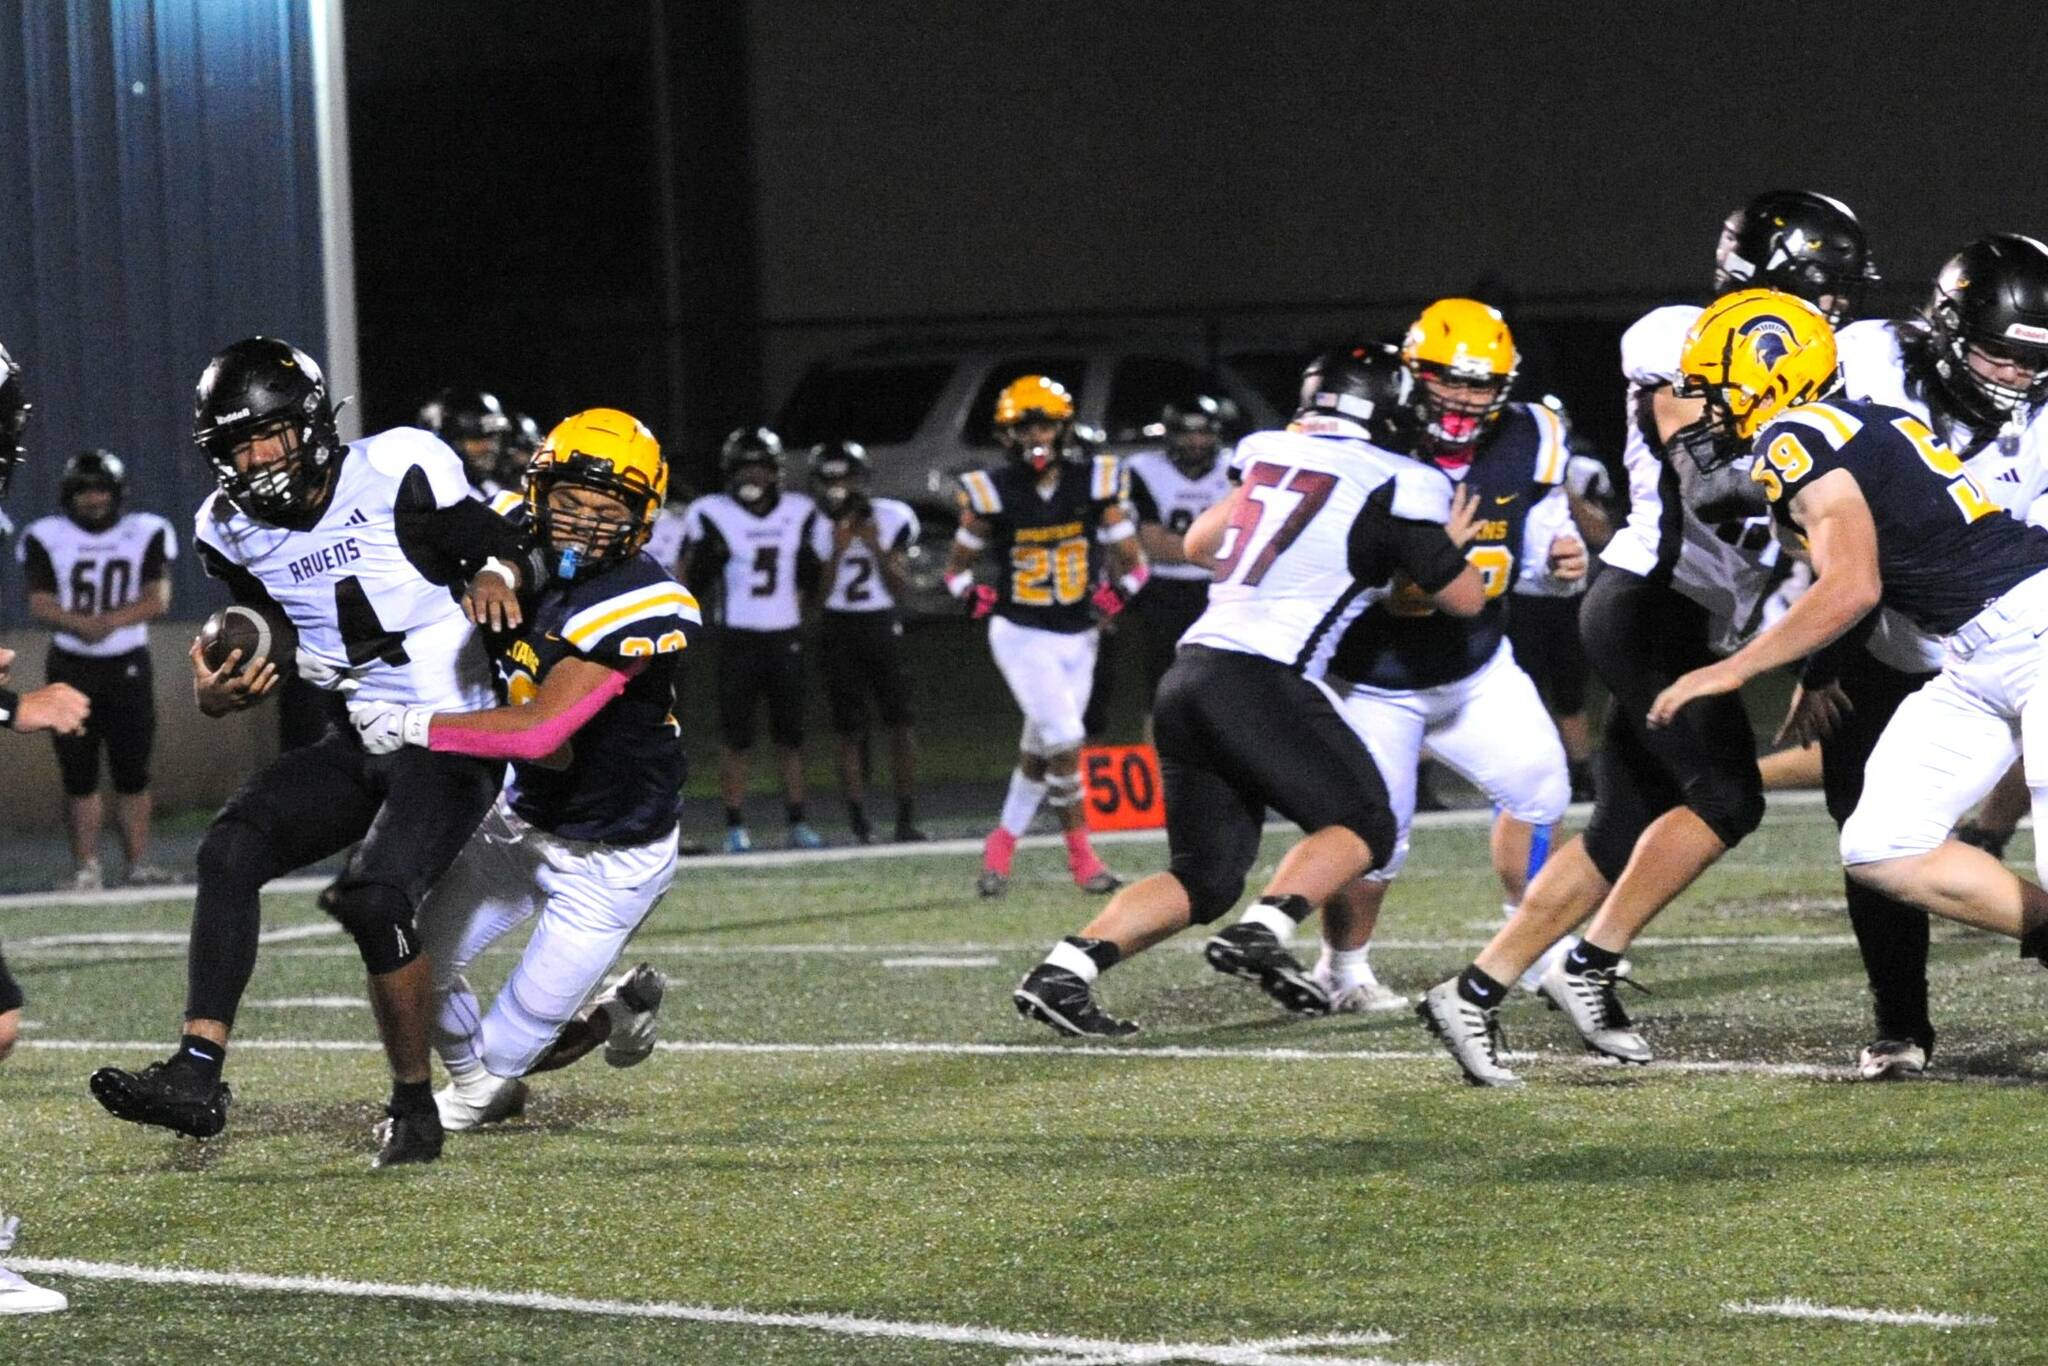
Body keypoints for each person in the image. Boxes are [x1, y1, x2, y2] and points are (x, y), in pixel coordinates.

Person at [1416, 189, 1879, 1085]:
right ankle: (1588, 967)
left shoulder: (1816, 367)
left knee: (1623, 826)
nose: (1836, 307)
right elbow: (1701, 470)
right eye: (1825, 287)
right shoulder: (1680, 336)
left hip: (1693, 614)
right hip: (1645, 599)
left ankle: (1473, 992)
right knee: (1728, 798)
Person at [88, 337, 543, 1166]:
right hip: (363, 733)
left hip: (451, 733)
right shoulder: (225, 530)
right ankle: (197, 1071)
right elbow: (272, 630)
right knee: (231, 848)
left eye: (270, 435)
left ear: (313, 424)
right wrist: (221, 686)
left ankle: (413, 1103)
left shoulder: (401, 464)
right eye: (237, 444)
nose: (257, 458)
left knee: (376, 898)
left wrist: (498, 577)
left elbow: (496, 542)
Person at [1012, 347, 1484, 1035]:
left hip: (1190, 674)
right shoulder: (1400, 479)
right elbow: (1466, 600)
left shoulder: (1272, 456)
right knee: (1366, 824)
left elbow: (1203, 543)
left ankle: (1064, 974)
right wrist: (1438, 548)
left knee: (1204, 878)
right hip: (1259, 676)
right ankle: (1263, 930)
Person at [1650, 290, 2048, 1042]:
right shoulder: (1866, 420)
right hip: (1980, 654)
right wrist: (1822, 670)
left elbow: (1854, 583)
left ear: (1763, 374)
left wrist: (1732, 670)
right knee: (1882, 844)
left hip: (2036, 631)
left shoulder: (1796, 435)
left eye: (1715, 386)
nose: (1710, 408)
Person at [349, 409, 696, 1129]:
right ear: (539, 493)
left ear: (642, 517)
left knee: (514, 1050)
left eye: (607, 512)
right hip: (520, 820)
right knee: (414, 971)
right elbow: (405, 512)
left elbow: (544, 733)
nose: (582, 526)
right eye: (568, 503)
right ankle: (479, 1086)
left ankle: (598, 1022)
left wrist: (411, 724)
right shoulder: (510, 521)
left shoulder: (640, 601)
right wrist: (496, 563)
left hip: (611, 857)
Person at [1791, 232, 2048, 1077]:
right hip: (1895, 641)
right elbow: (1822, 516)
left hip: (2022, 629)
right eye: (2001, 354)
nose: (2018, 375)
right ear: (1945, 327)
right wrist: (1819, 655)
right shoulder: (1865, 362)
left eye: (2034, 360)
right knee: (1873, 840)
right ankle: (1900, 1022)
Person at [1314, 312, 1583, 1015]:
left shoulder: (1531, 435)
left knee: (1542, 789)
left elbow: (1532, 556)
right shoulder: (1367, 441)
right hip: (1374, 678)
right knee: (1378, 838)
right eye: (1448, 381)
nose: (1465, 399)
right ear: (1413, 376)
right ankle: (1341, 968)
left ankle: (1532, 945)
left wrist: (1562, 562)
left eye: (1482, 384)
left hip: (1475, 668)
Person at [945, 376, 1146, 897]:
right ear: (1006, 435)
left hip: (1079, 637)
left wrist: (1111, 600)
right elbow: (956, 572)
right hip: (1022, 632)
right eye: (1023, 426)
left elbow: (1135, 565)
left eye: (1044, 424)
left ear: (1063, 427)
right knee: (1063, 740)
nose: (1035, 436)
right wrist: (977, 599)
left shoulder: (1095, 482)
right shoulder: (990, 491)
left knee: (1038, 754)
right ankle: (1084, 861)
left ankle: (1000, 849)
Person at [18, 449, 178, 888]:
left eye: (101, 489)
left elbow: (158, 598)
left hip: (127, 663)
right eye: (85, 490)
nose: (93, 499)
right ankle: (86, 867)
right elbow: (39, 601)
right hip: (71, 663)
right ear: (70, 495)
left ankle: (138, 864)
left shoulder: (145, 531)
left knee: (133, 771)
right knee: (78, 773)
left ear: (117, 492)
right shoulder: (46, 536)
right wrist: (81, 624)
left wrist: (107, 622)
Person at [678, 427, 824, 851]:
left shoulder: (799, 511)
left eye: (761, 468)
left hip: (784, 636)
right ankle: (734, 825)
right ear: (729, 472)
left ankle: (798, 821)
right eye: (745, 468)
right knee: (735, 737)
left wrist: (803, 606)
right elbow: (688, 574)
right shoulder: (711, 512)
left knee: (791, 736)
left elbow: (813, 573)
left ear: (776, 471)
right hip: (737, 636)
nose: (753, 477)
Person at [807, 439, 928, 843]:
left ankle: (907, 816)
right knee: (849, 729)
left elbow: (900, 590)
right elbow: (819, 600)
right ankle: (859, 821)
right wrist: (838, 553)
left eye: (847, 478)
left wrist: (876, 546)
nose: (841, 486)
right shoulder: (812, 524)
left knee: (901, 723)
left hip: (880, 623)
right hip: (839, 627)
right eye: (832, 479)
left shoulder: (892, 517)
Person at [1505, 395, 1614, 801]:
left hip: (1568, 597)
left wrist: (1566, 488)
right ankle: (1527, 773)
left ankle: (1581, 774)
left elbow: (1601, 534)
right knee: (1519, 690)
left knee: (1570, 688)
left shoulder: (1582, 471)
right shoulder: (1506, 465)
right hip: (1516, 595)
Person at [1124, 396, 1234, 731]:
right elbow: (1153, 544)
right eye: (1187, 433)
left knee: (1223, 685)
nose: (1197, 442)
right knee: (1162, 686)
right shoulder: (1144, 470)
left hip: (1219, 591)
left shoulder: (1235, 467)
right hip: (1165, 589)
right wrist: (1221, 554)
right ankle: (1159, 773)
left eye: (1205, 433)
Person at [418, 386, 518, 499]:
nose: (491, 447)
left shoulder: (490, 488)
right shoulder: (429, 494)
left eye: (494, 438)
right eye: (478, 437)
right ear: (448, 439)